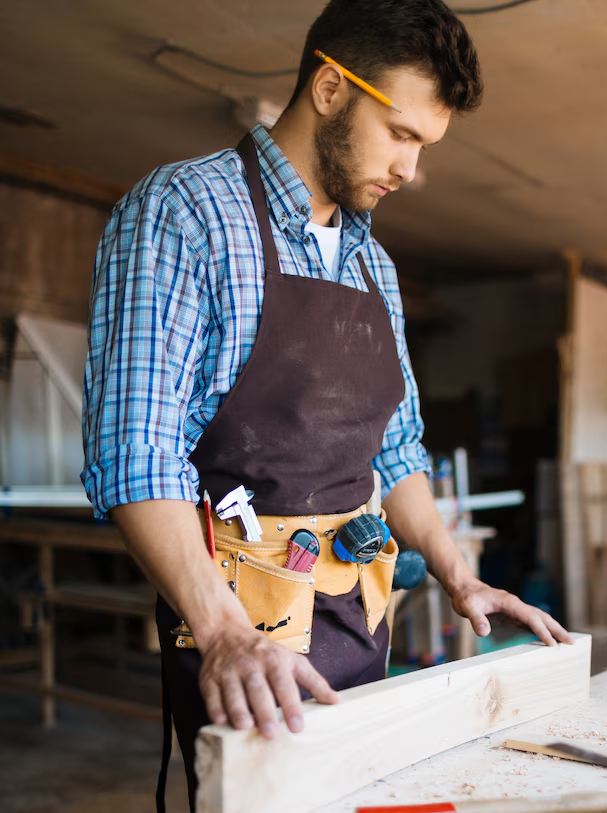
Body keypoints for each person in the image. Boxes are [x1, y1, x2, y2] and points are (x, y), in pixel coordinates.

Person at [82, 0, 572, 808]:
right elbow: (134, 452)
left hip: (357, 611)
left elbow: (398, 447)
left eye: (425, 144)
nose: (411, 168)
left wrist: (458, 574)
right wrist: (224, 631)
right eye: (402, 133)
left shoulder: (373, 264)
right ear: (331, 89)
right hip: (242, 631)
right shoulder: (187, 211)